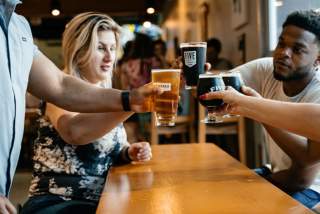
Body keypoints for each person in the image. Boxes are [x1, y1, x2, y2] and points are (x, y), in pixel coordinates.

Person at [0, 1, 161, 213]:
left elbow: (103, 151)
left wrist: (127, 152)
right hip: (60, 202)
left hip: (99, 199)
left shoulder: (107, 94)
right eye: (101, 48)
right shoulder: (60, 91)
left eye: (112, 48)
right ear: (79, 50)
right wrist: (131, 104)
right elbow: (74, 131)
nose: (109, 56)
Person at [201, 10, 320, 210]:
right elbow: (216, 88)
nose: (284, 53)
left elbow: (304, 173)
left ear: (318, 60)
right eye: (281, 43)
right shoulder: (266, 70)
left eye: (297, 49)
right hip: (280, 175)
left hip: (312, 190)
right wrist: (195, 75)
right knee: (208, 194)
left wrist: (255, 107)